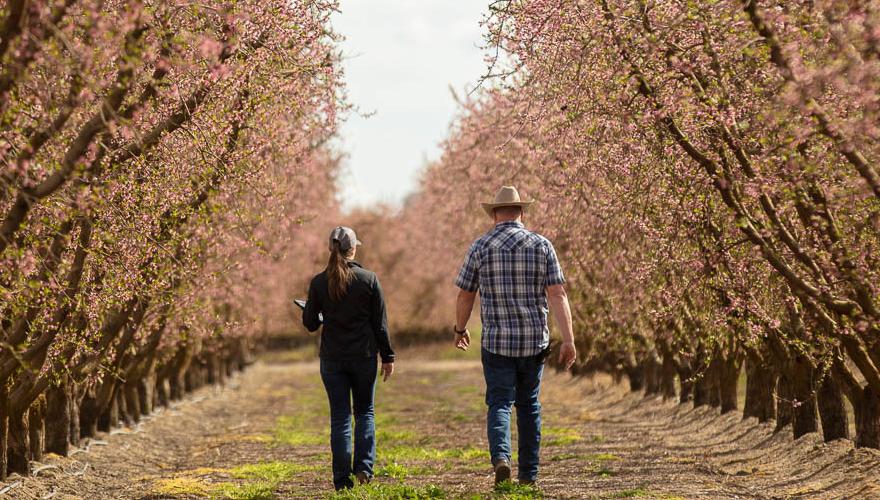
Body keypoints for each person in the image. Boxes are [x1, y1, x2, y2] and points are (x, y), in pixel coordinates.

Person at [453, 185, 577, 487]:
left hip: (496, 342)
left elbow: (466, 293)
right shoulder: (542, 245)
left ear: (495, 213)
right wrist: (569, 339)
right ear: (522, 211)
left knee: (499, 403)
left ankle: (501, 458)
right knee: (529, 405)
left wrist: (460, 328)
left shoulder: (480, 247)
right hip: (534, 342)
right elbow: (558, 293)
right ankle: (528, 475)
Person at [303, 226, 395, 491]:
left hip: (332, 359)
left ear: (331, 249)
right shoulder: (369, 280)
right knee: (365, 412)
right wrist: (387, 356)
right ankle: (364, 469)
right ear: (353, 249)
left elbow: (310, 323)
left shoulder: (319, 282)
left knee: (340, 417)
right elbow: (380, 324)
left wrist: (317, 312)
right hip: (364, 357)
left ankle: (342, 480)